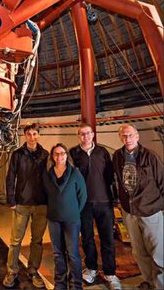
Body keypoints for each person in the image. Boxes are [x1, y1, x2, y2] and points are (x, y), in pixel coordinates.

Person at [70, 123, 122, 290]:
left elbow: (110, 176)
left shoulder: (103, 152)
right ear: (79, 136)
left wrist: (113, 199)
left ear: (93, 134)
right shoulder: (73, 153)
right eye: (82, 134)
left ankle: (110, 272)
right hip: (83, 204)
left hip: (104, 202)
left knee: (107, 238)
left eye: (88, 133)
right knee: (87, 238)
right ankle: (91, 268)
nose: (85, 136)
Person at [113, 124, 164, 290]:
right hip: (129, 211)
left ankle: (160, 285)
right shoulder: (117, 156)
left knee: (158, 251)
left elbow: (162, 181)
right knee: (138, 251)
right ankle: (149, 281)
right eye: (124, 136)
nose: (127, 139)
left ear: (137, 136)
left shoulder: (150, 156)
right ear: (120, 138)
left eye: (130, 135)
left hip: (150, 210)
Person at [3, 122, 48, 289]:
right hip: (21, 203)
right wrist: (11, 200)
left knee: (37, 241)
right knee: (15, 241)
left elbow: (49, 179)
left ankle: (33, 271)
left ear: (38, 135)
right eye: (29, 134)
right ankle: (12, 272)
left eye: (35, 134)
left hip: (41, 204)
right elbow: (10, 178)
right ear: (25, 135)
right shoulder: (17, 154)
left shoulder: (45, 155)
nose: (32, 137)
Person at [43, 143, 87, 290]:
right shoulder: (48, 174)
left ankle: (76, 285)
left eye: (62, 153)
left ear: (66, 155)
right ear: (52, 157)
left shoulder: (75, 173)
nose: (59, 156)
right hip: (54, 218)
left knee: (73, 253)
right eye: (56, 154)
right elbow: (46, 194)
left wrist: (74, 211)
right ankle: (60, 284)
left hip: (71, 220)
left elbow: (83, 195)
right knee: (57, 253)